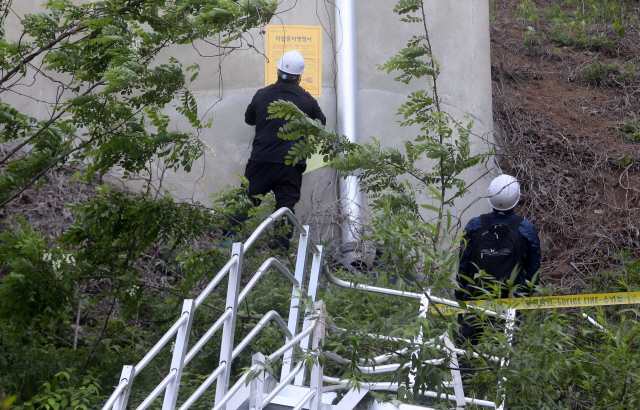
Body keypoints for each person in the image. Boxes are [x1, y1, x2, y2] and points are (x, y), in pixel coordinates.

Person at [228, 50, 326, 249]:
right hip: (291, 165)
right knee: (285, 211)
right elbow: (320, 125)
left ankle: (226, 244)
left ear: (277, 70)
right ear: (300, 76)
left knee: (245, 204)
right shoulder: (307, 100)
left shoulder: (262, 94)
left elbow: (249, 120)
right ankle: (280, 254)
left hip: (261, 161)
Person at [455, 174, 541, 374]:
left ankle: (464, 394)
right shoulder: (526, 229)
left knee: (466, 351)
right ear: (517, 198)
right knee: (506, 352)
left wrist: (461, 298)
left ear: (489, 197)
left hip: (475, 299)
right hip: (510, 302)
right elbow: (533, 272)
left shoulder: (474, 226)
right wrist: (523, 301)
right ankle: (500, 393)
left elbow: (463, 266)